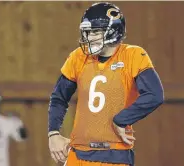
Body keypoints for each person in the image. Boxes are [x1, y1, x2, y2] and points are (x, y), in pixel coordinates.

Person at [48, 2, 164, 166]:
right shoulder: (78, 57)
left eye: (96, 31)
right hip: (78, 155)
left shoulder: (133, 55)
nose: (89, 37)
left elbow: (154, 95)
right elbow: (59, 97)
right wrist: (53, 133)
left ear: (114, 30)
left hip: (114, 155)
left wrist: (121, 119)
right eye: (87, 32)